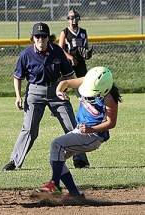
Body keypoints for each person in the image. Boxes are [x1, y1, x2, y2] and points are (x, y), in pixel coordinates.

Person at [2, 22, 82, 171]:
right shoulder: (26, 54)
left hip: (56, 90)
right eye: (37, 36)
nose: (40, 39)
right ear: (32, 38)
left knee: (71, 125)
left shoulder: (57, 51)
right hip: (34, 92)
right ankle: (14, 161)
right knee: (30, 129)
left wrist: (79, 95)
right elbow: (17, 77)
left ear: (48, 38)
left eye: (43, 36)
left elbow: (70, 75)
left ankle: (80, 159)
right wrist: (18, 96)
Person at [36, 66, 122, 198]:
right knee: (56, 157)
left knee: (56, 145)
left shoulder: (109, 98)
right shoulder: (89, 80)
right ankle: (75, 195)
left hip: (93, 136)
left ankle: (54, 185)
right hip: (80, 131)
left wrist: (91, 129)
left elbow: (112, 123)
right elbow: (66, 83)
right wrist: (59, 91)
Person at [59, 9, 92, 168]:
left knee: (83, 92)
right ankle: (58, 106)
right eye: (70, 18)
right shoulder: (65, 32)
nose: (73, 20)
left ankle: (84, 106)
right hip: (68, 65)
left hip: (81, 65)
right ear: (67, 20)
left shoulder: (83, 32)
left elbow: (85, 48)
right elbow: (60, 49)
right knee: (63, 85)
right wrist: (69, 56)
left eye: (75, 18)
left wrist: (86, 55)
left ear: (79, 19)